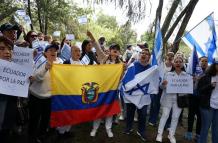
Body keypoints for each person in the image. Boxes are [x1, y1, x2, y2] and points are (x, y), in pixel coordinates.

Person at [28, 44, 63, 143]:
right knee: (34, 119)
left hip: (49, 97)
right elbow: (34, 78)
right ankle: (31, 137)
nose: (53, 52)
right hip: (36, 96)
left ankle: (41, 136)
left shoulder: (60, 64)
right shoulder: (39, 62)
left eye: (55, 50)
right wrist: (45, 68)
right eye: (50, 50)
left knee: (45, 119)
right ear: (45, 53)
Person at [90, 43, 122, 138]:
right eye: (113, 48)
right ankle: (95, 128)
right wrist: (91, 37)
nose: (115, 50)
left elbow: (120, 78)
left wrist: (123, 70)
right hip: (102, 89)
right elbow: (97, 48)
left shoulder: (120, 63)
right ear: (110, 50)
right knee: (99, 108)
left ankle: (108, 129)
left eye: (117, 49)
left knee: (110, 110)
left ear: (119, 52)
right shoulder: (104, 58)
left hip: (112, 90)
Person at [156, 55, 190, 143]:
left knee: (175, 117)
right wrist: (163, 84)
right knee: (165, 115)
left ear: (183, 64)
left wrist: (191, 83)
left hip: (179, 100)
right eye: (176, 61)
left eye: (180, 61)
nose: (178, 63)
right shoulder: (168, 74)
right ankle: (159, 134)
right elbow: (161, 86)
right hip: (168, 98)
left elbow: (187, 89)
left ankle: (171, 135)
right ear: (173, 63)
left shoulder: (186, 76)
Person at [122, 48, 152, 142]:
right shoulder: (133, 65)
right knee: (130, 112)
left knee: (142, 114)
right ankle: (128, 128)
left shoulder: (151, 69)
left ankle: (141, 131)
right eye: (142, 53)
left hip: (143, 96)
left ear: (149, 57)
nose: (143, 54)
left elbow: (153, 82)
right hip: (132, 94)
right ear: (139, 55)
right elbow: (127, 78)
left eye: (146, 54)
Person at [184, 56, 208, 141]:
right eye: (202, 61)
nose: (204, 63)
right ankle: (189, 132)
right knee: (191, 115)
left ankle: (198, 134)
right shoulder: (193, 71)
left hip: (202, 99)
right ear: (199, 62)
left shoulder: (209, 73)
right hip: (192, 97)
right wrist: (192, 80)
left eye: (206, 61)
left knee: (200, 117)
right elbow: (186, 83)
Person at [149, 52, 174, 126]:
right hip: (158, 87)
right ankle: (152, 120)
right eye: (169, 55)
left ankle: (167, 123)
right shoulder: (161, 64)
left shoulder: (174, 66)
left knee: (168, 105)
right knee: (155, 104)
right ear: (166, 56)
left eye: (172, 56)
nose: (170, 57)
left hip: (168, 89)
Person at [197, 57, 218, 143]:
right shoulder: (206, 76)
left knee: (216, 129)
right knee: (205, 127)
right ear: (214, 65)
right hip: (207, 106)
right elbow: (200, 90)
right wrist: (210, 86)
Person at [0, 36, 16, 143]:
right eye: (1, 49)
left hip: (9, 110)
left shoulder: (15, 67)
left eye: (9, 49)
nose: (7, 52)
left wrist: (27, 79)